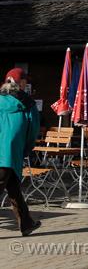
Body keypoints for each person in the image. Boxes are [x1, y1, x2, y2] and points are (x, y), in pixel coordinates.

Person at [0, 68, 41, 236]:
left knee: (13, 187)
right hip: (10, 152)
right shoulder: (28, 105)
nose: (27, 84)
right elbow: (33, 131)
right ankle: (27, 223)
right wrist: (27, 149)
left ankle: (27, 223)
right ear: (21, 82)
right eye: (25, 81)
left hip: (5, 152)